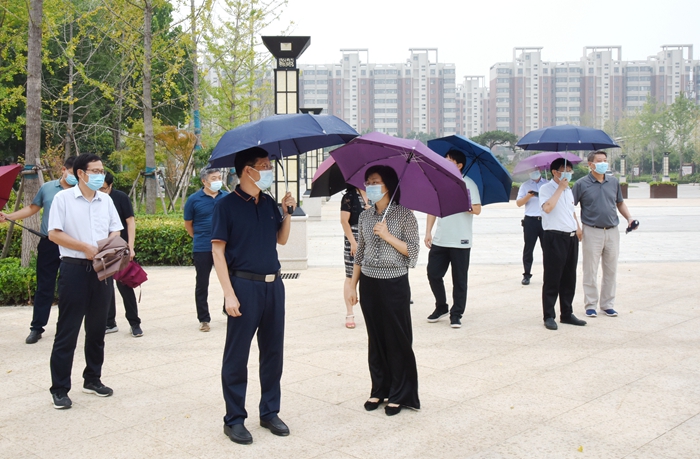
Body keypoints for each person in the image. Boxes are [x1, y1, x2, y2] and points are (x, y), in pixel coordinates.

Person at [210, 147, 296, 445]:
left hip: (274, 285)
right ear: (247, 170)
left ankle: (269, 412)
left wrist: (286, 213)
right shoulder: (226, 205)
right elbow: (217, 251)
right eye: (264, 165)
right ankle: (234, 419)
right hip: (243, 286)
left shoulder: (269, 202)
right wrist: (229, 294)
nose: (269, 170)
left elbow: (281, 239)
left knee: (273, 352)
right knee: (237, 355)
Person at [46, 153, 123, 409]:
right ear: (81, 173)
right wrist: (85, 247)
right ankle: (59, 388)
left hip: (102, 269)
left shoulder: (105, 200)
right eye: (95, 171)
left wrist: (107, 244)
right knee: (67, 330)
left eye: (102, 170)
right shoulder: (63, 199)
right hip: (74, 269)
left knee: (98, 328)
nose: (101, 175)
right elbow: (54, 234)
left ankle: (93, 379)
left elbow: (115, 228)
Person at [346, 165, 420, 416]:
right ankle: (379, 389)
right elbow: (360, 253)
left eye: (375, 182)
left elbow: (413, 253)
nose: (370, 186)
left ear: (388, 185)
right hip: (369, 284)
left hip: (394, 284)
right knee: (375, 338)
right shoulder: (365, 217)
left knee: (397, 339)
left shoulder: (405, 215)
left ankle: (399, 393)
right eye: (367, 182)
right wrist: (352, 285)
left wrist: (388, 236)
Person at [0, 156, 76, 344]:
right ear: (63, 170)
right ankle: (37, 327)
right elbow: (32, 208)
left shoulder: (81, 191)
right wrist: (9, 216)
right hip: (49, 243)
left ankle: (66, 327)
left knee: (70, 286)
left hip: (73, 244)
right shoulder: (48, 188)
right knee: (45, 286)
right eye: (72, 172)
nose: (75, 176)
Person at [573, 150, 637, 318]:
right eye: (599, 161)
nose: (603, 163)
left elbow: (620, 203)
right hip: (591, 231)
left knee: (611, 270)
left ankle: (607, 305)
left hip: (612, 231)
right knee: (590, 269)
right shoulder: (581, 184)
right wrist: (577, 227)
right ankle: (591, 305)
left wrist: (629, 218)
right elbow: (569, 206)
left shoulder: (613, 182)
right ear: (590, 164)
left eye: (605, 160)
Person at [424, 149, 482, 329]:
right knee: (433, 274)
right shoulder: (440, 182)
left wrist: (462, 202)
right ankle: (441, 306)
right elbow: (433, 209)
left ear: (459, 165)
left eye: (449, 161)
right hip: (441, 239)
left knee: (459, 280)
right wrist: (428, 232)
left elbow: (477, 209)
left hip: (461, 240)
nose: (445, 162)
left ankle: (456, 314)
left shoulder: (469, 184)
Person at [539, 158, 586, 330]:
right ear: (555, 172)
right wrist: (559, 188)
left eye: (570, 170)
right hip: (554, 237)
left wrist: (577, 227)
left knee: (569, 277)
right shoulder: (546, 189)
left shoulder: (568, 190)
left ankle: (566, 312)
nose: (568, 173)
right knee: (553, 277)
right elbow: (547, 208)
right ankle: (549, 315)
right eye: (564, 170)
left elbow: (571, 211)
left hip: (571, 237)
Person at [184, 168, 228, 332]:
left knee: (232, 279)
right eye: (214, 178)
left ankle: (228, 308)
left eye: (219, 177)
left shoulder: (227, 197)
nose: (218, 180)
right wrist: (200, 237)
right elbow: (188, 224)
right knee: (202, 283)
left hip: (225, 246)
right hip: (203, 247)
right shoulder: (193, 199)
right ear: (204, 181)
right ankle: (204, 319)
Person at [100, 172, 142, 337]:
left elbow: (130, 222)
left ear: (110, 185)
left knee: (125, 286)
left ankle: (134, 323)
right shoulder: (94, 198)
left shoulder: (120, 197)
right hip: (101, 248)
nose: (101, 191)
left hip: (120, 247)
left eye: (104, 188)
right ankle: (109, 322)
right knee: (105, 287)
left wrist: (130, 246)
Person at [339, 184, 369, 329]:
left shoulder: (377, 196)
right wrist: (353, 242)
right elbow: (344, 221)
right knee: (351, 276)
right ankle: (349, 312)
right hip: (354, 238)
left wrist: (373, 211)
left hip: (372, 238)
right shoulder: (349, 196)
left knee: (370, 275)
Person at [516, 169, 549, 285]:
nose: (534, 172)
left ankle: (548, 275)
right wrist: (529, 196)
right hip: (530, 220)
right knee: (528, 248)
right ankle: (526, 274)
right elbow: (519, 203)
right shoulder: (525, 185)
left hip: (545, 220)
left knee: (548, 249)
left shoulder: (547, 184)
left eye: (536, 170)